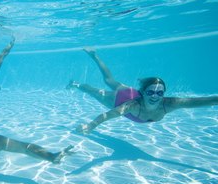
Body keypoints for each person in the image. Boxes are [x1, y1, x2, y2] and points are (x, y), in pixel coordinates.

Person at [67, 47, 218, 134]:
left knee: (109, 81)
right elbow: (107, 116)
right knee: (99, 88)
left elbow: (205, 101)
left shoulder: (170, 103)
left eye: (159, 93)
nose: (155, 96)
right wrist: (90, 126)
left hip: (131, 92)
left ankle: (92, 59)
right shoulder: (131, 106)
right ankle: (77, 82)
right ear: (143, 92)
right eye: (151, 92)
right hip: (121, 97)